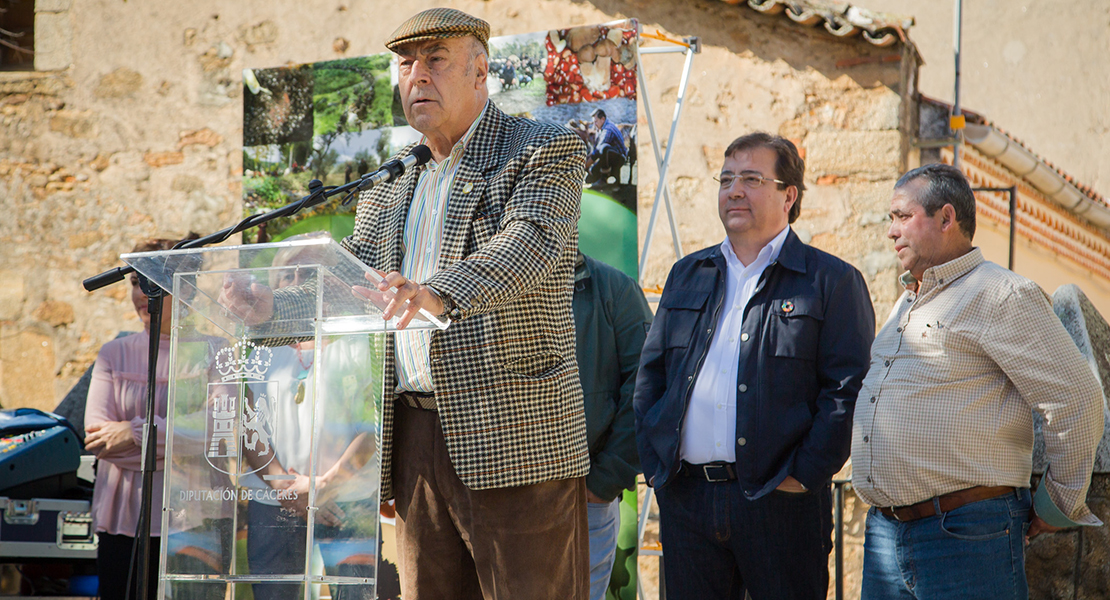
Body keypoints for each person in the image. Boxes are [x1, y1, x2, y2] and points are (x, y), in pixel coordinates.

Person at [218, 8, 591, 599]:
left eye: (435, 59)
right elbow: (346, 284)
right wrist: (270, 311)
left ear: (480, 72)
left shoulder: (541, 148)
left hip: (512, 429)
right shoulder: (393, 178)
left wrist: (437, 290)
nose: (417, 75)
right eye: (406, 62)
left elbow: (531, 244)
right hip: (412, 435)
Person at [634, 132, 875, 599]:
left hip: (781, 507)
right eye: (725, 179)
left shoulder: (831, 281)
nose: (733, 190)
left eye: (750, 178)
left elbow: (849, 391)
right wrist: (659, 465)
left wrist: (801, 476)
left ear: (789, 195)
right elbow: (652, 379)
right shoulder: (688, 273)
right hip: (688, 501)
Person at [851, 163, 1104, 599]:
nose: (891, 231)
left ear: (946, 218)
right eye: (889, 219)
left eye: (901, 216)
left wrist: (1055, 503)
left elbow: (1076, 398)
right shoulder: (906, 304)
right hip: (886, 538)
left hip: (965, 537)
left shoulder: (1001, 294)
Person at [85, 234, 210, 600]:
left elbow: (213, 433)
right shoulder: (113, 354)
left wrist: (133, 434)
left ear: (186, 288)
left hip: (191, 518)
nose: (143, 293)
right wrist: (171, 441)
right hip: (122, 515)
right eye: (137, 281)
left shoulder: (213, 353)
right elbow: (97, 440)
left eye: (155, 283)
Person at [572, 252, 652, 600]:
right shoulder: (486, 290)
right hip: (499, 498)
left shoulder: (614, 288)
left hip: (583, 499)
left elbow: (648, 385)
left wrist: (603, 483)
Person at [585, 108, 627, 186]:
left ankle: (604, 178)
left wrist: (586, 165)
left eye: (596, 121)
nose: (594, 124)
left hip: (619, 158)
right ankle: (601, 177)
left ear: (603, 119)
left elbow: (599, 149)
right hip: (609, 156)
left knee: (604, 147)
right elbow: (595, 151)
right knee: (589, 178)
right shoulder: (600, 129)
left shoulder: (608, 129)